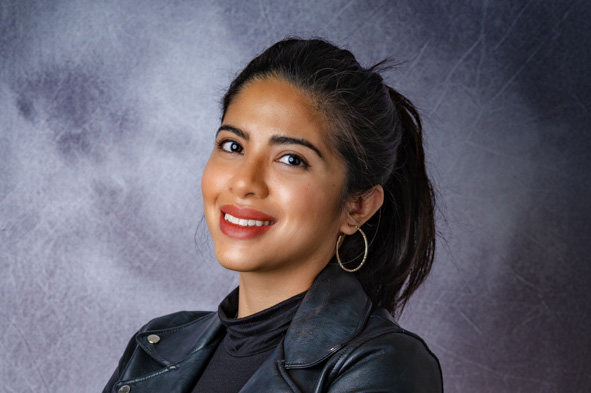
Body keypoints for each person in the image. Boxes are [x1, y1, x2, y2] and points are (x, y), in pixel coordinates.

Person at [103, 38, 443, 393]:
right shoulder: (156, 348)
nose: (244, 182)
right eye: (233, 146)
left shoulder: (383, 363)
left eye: (291, 159)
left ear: (356, 207)